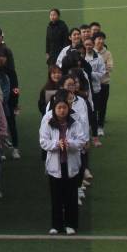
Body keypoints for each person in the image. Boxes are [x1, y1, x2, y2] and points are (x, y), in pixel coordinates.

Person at [41, 93, 88, 236]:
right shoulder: (48, 122)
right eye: (59, 108)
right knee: (56, 197)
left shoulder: (75, 122)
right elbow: (43, 142)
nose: (62, 110)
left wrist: (69, 144)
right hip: (55, 166)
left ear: (68, 109)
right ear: (54, 109)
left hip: (71, 164)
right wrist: (57, 144)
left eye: (64, 108)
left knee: (71, 196)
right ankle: (56, 225)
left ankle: (70, 224)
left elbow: (81, 140)